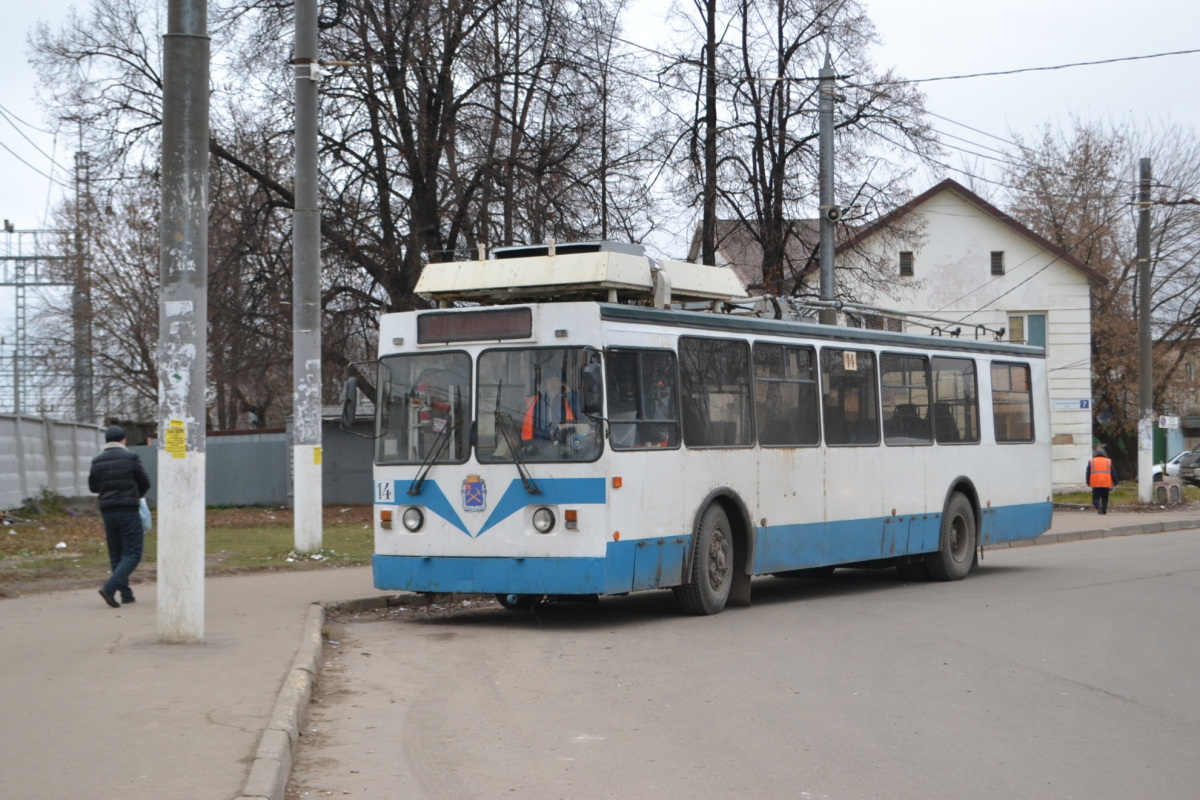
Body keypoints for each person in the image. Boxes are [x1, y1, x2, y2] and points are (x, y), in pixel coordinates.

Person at [88, 425, 152, 607]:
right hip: (128, 510)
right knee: (133, 553)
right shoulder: (131, 457)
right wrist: (134, 495)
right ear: (123, 439)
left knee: (116, 554)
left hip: (108, 511)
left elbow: (93, 487)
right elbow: (145, 482)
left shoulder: (97, 460)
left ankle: (126, 594)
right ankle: (110, 588)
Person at [522, 367, 579, 441]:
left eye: (556, 380)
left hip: (562, 443)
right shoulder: (532, 401)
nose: (554, 383)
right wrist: (527, 443)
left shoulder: (567, 400)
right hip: (537, 442)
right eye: (551, 380)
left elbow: (579, 414)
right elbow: (523, 423)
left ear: (561, 383)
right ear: (545, 383)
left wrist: (569, 392)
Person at [1085, 446, 1117, 515]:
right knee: (1105, 498)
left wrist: (1087, 482)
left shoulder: (1092, 461)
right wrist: (1116, 482)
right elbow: (1113, 473)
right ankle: (1104, 510)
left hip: (1095, 483)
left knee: (1095, 498)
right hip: (1106, 482)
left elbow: (1088, 473)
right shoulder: (1108, 461)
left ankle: (1097, 505)